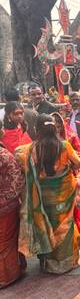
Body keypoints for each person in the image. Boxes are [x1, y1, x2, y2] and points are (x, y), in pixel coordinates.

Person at [15, 114, 80, 274]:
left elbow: (21, 162)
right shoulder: (65, 146)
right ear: (54, 128)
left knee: (45, 225)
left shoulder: (30, 149)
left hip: (41, 196)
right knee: (65, 226)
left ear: (36, 129)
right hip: (64, 194)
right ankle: (66, 263)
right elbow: (77, 163)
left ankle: (48, 264)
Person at [0, 119, 26, 288]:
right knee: (5, 240)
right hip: (5, 206)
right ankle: (6, 276)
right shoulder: (3, 155)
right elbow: (18, 180)